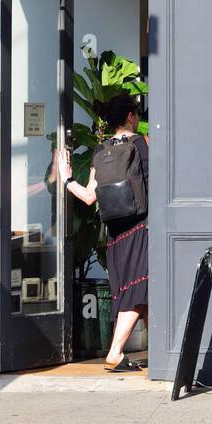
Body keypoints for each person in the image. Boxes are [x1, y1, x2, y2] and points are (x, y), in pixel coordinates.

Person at [56, 93, 149, 372]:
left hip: (115, 235)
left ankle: (163, 351)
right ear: (131, 117)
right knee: (139, 290)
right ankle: (116, 352)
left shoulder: (100, 151)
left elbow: (87, 197)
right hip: (141, 229)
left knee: (141, 292)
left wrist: (67, 178)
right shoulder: (141, 145)